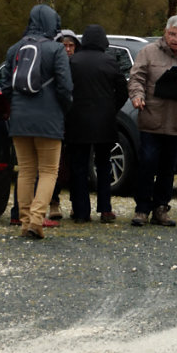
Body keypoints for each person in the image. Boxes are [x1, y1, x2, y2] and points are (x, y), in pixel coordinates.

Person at [0, 4, 73, 239]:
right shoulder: (56, 49)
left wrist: (17, 107)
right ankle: (37, 220)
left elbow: (5, 85)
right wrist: (64, 109)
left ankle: (24, 221)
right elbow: (65, 86)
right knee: (49, 171)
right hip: (49, 120)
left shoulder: (14, 49)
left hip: (20, 120)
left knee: (26, 171)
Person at [127, 15, 177, 227]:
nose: (175, 38)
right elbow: (136, 78)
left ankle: (161, 208)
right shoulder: (148, 52)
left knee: (168, 169)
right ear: (165, 32)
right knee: (147, 165)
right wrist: (137, 95)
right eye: (172, 34)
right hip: (151, 119)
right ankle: (142, 209)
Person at [65, 24, 128, 223]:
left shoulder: (73, 61)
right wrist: (111, 108)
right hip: (104, 121)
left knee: (79, 167)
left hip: (77, 121)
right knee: (103, 165)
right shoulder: (110, 62)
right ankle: (105, 209)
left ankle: (81, 211)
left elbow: (64, 89)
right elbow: (123, 91)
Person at [47, 29, 80, 222]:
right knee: (55, 165)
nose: (68, 49)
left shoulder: (80, 66)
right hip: (56, 120)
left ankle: (77, 204)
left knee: (75, 164)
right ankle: (53, 202)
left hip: (75, 121)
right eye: (64, 45)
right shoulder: (51, 66)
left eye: (71, 46)